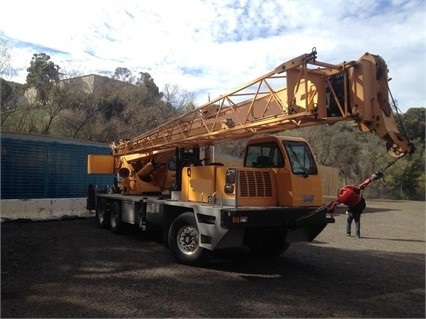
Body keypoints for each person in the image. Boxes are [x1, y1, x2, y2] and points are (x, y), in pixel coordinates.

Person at [328, 172, 383, 238]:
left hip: (355, 208)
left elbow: (334, 204)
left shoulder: (344, 196)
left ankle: (350, 233)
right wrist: (372, 178)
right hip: (356, 208)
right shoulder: (352, 192)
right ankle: (356, 234)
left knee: (351, 220)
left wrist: (372, 178)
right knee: (355, 221)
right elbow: (364, 184)